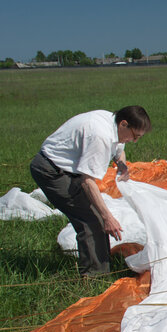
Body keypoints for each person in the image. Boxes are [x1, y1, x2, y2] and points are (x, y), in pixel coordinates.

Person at [29, 106, 151, 277]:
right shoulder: (100, 136)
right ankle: (95, 277)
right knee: (91, 219)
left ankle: (99, 266)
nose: (135, 141)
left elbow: (119, 151)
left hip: (69, 170)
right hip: (51, 171)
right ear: (124, 124)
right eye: (135, 136)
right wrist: (108, 217)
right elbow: (87, 181)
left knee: (94, 216)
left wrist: (122, 166)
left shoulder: (114, 124)